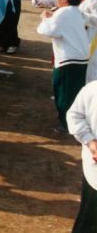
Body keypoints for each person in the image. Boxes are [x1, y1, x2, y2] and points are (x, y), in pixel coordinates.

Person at [38, 0, 90, 132]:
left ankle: (67, 125)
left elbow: (46, 31)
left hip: (69, 59)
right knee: (75, 92)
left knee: (64, 94)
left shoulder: (63, 12)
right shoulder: (76, 11)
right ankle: (76, 122)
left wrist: (45, 18)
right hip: (80, 58)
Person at [66, 81, 97, 231]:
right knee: (89, 217)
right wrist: (90, 141)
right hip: (94, 170)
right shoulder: (92, 90)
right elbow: (74, 115)